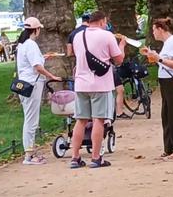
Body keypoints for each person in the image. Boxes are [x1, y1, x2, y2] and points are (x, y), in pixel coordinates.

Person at [69, 11, 126, 168]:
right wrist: (121, 46)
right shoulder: (107, 36)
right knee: (98, 120)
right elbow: (119, 60)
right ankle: (95, 157)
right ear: (102, 22)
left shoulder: (78, 36)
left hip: (80, 83)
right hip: (101, 84)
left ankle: (75, 157)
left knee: (80, 120)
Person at [16, 17, 62, 165]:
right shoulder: (31, 45)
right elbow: (37, 67)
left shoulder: (22, 45)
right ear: (36, 30)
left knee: (29, 119)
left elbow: (32, 63)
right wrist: (52, 76)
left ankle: (30, 152)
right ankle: (29, 155)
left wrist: (43, 58)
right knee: (31, 120)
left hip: (24, 84)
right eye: (39, 29)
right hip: (32, 85)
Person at [144, 17, 173, 161]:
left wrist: (159, 59)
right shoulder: (167, 43)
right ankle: (168, 147)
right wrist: (154, 57)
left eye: (154, 30)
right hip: (165, 81)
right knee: (166, 115)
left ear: (160, 29)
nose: (153, 33)